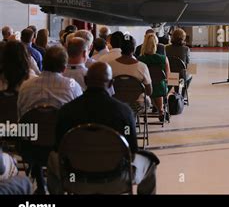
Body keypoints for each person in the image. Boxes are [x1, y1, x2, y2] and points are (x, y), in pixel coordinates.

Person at [47, 62, 159, 195]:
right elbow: (132, 151)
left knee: (51, 157)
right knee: (150, 162)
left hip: (76, 179)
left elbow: (58, 148)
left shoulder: (66, 111)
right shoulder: (124, 112)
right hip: (115, 179)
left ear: (86, 80)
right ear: (111, 84)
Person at [17, 45, 83, 119]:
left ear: (43, 63)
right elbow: (79, 114)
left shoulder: (25, 86)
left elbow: (20, 115)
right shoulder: (73, 87)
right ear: (64, 68)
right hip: (60, 130)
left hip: (31, 129)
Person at [108, 36, 152, 112]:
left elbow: (107, 87)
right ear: (134, 48)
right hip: (136, 104)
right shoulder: (142, 66)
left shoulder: (110, 65)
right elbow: (149, 91)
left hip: (116, 102)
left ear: (121, 48)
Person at [138, 33, 171, 121]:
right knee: (159, 84)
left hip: (144, 88)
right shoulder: (163, 58)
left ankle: (155, 107)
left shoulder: (140, 59)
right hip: (160, 88)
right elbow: (167, 77)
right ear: (156, 44)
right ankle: (161, 110)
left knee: (149, 85)